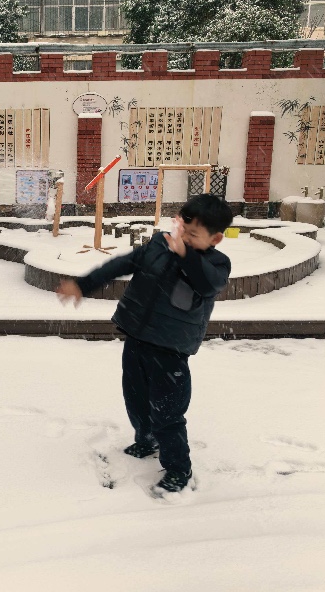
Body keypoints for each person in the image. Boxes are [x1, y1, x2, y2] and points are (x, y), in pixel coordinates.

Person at [56, 194, 233, 495]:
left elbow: (206, 283)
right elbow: (122, 264)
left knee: (167, 413)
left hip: (171, 350)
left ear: (215, 239)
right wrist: (84, 284)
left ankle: (178, 468)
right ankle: (146, 439)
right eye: (183, 229)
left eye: (193, 235)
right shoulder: (158, 245)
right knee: (136, 399)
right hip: (137, 338)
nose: (184, 239)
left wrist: (185, 256)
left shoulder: (216, 264)